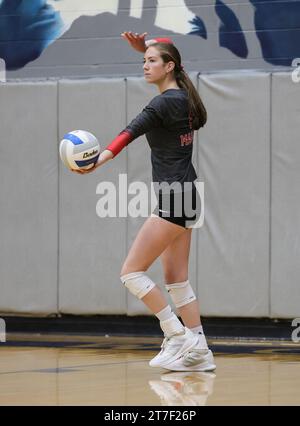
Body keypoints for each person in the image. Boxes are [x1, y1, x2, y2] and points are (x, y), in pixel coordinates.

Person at [74, 33, 216, 372]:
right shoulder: (185, 97)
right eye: (143, 60)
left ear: (169, 66)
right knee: (177, 279)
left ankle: (177, 334)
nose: (144, 65)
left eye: (152, 61)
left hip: (174, 198)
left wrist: (96, 162)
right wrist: (149, 46)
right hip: (189, 195)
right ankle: (201, 351)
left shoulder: (163, 103)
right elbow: (172, 60)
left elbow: (128, 133)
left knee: (131, 273)